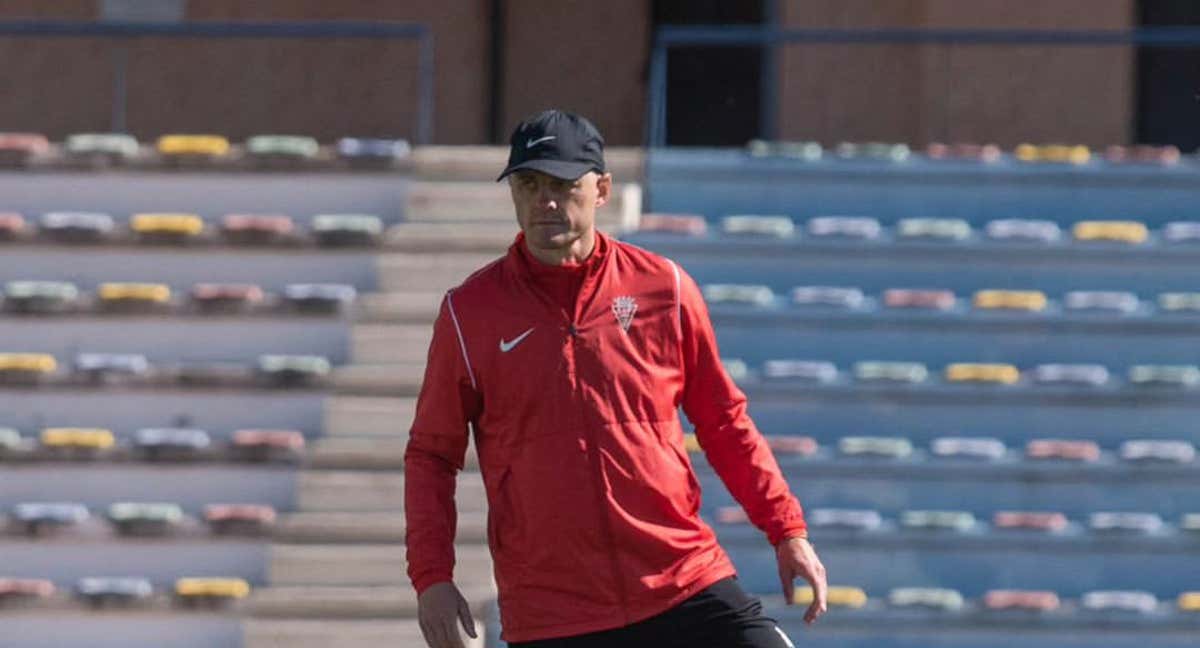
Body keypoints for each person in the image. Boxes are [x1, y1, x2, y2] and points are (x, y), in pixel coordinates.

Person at [404, 109, 827, 648]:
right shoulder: (469, 314)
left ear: (601, 189)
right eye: (529, 184)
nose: (544, 201)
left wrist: (786, 530)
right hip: (554, 613)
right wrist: (433, 578)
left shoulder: (664, 289)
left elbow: (724, 422)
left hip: (682, 583)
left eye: (561, 184)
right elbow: (431, 457)